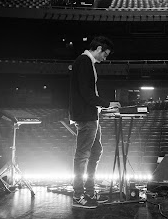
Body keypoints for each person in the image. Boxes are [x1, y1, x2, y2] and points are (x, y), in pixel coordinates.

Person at [69, 36, 120, 209]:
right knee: (82, 155)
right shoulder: (84, 62)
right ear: (98, 48)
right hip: (85, 117)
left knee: (96, 151)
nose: (105, 58)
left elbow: (88, 92)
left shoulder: (87, 62)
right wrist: (107, 104)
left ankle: (89, 191)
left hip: (91, 115)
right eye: (105, 54)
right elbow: (86, 93)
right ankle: (78, 195)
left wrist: (103, 108)